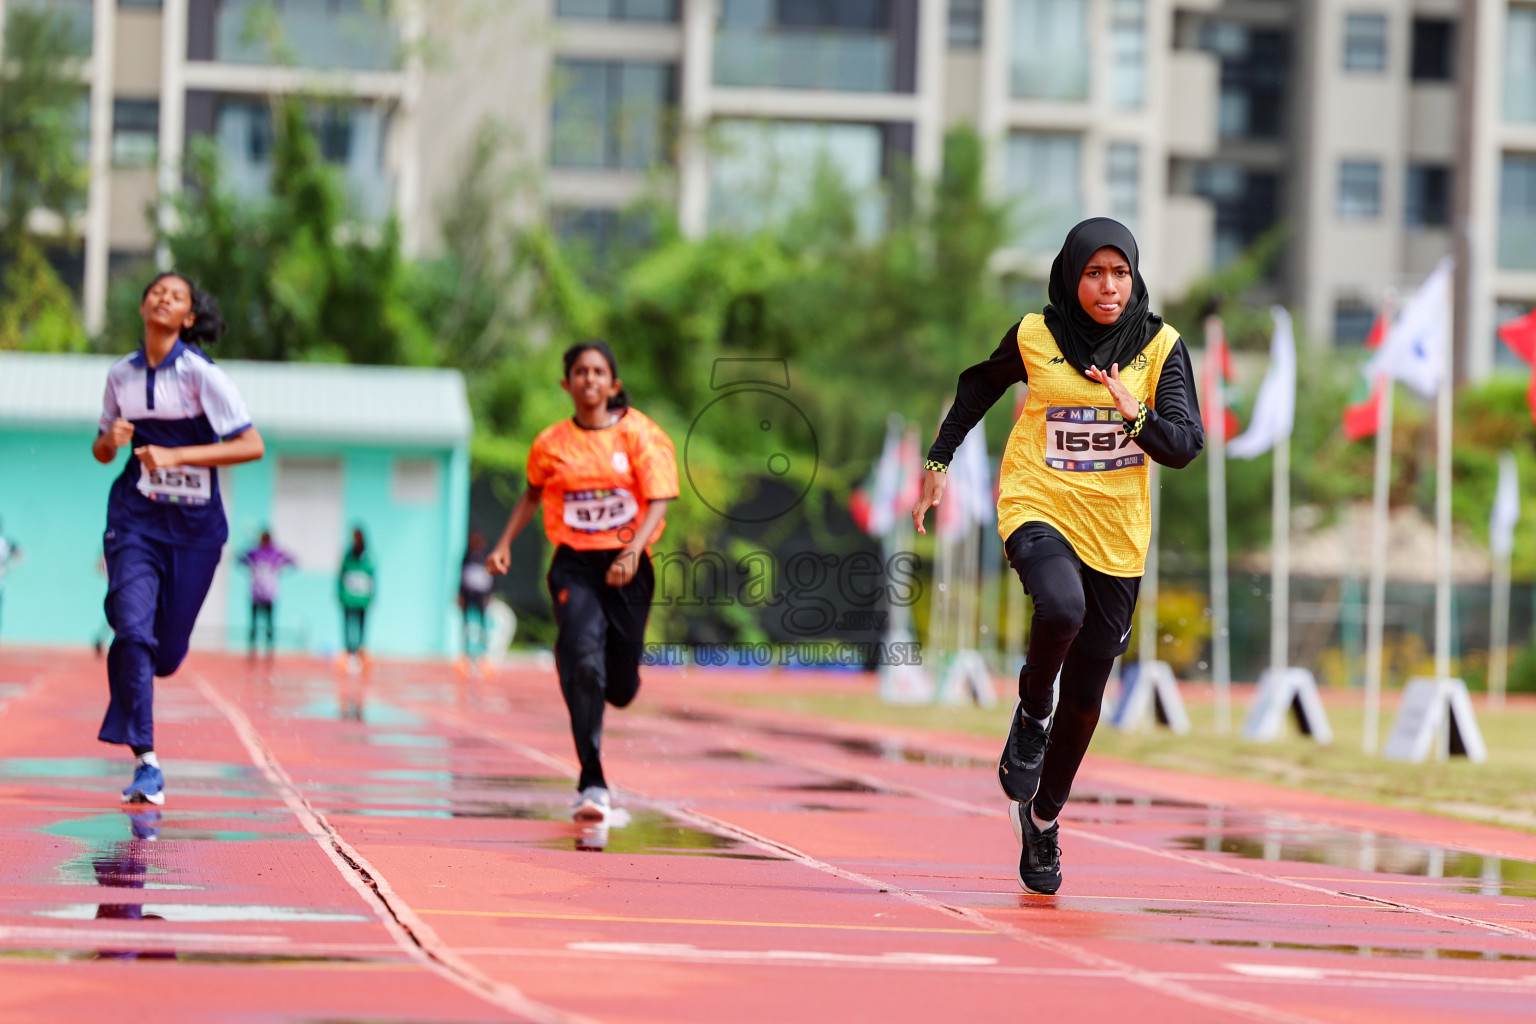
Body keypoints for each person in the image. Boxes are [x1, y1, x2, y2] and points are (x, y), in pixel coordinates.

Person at [912, 218, 1204, 894]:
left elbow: (1184, 447)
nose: (1108, 286)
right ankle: (1029, 710)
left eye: (1120, 273)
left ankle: (1042, 820)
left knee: (1088, 698)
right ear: (1072, 277)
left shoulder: (1161, 348)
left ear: (1135, 278)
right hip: (1037, 502)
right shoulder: (1035, 336)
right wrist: (938, 460)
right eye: (1094, 273)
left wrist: (1135, 414)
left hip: (1118, 534)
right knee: (1060, 606)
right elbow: (977, 386)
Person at [486, 340, 677, 823]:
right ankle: (592, 781)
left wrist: (633, 551)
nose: (589, 379)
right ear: (566, 383)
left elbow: (659, 500)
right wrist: (504, 542)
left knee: (619, 688)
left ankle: (593, 672)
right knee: (581, 659)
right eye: (580, 371)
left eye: (598, 372)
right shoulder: (551, 443)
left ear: (612, 383)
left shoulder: (640, 434)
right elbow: (532, 495)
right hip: (574, 562)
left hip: (630, 564)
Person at [93, 272, 266, 806]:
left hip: (194, 530)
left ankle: (139, 647)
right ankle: (147, 761)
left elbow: (251, 445)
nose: (164, 298)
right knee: (132, 630)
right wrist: (111, 438)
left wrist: (177, 456)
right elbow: (102, 452)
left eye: (177, 296)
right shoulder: (120, 375)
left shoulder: (200, 375)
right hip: (136, 518)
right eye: (156, 292)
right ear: (143, 306)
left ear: (189, 318)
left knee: (163, 657)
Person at [240, 530, 295, 658]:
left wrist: (280, 567)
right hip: (255, 593)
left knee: (269, 623)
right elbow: (240, 558)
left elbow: (292, 560)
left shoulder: (275, 553)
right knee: (254, 622)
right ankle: (252, 648)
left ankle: (269, 648)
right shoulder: (254, 552)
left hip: (269, 594)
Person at [337, 527, 376, 672]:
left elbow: (372, 578)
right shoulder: (348, 556)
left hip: (362, 600)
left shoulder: (368, 557)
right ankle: (348, 653)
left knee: (361, 626)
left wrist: (372, 596)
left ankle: (359, 653)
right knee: (348, 626)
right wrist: (340, 594)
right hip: (348, 598)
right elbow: (341, 575)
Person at [457, 530, 495, 675]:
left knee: (482, 626)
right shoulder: (466, 556)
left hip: (481, 597)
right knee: (466, 625)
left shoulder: (487, 557)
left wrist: (489, 596)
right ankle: (466, 653)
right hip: (468, 595)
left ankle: (483, 654)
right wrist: (460, 595)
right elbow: (461, 576)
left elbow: (492, 579)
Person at [0, 521, 21, 642]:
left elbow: (20, 553)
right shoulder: (7, 542)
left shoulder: (6, 542)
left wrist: (8, 569)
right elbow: (20, 553)